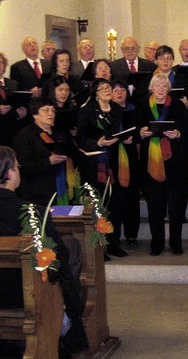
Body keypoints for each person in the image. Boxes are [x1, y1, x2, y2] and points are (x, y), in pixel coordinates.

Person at [0, 145, 88, 355]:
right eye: (17, 167)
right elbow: (57, 266)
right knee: (68, 249)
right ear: (9, 174)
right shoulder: (33, 214)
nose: (19, 171)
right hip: (24, 296)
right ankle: (64, 327)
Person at [76, 79, 130, 258]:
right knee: (99, 206)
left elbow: (121, 131)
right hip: (95, 165)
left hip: (115, 161)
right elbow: (81, 138)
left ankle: (114, 243)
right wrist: (98, 142)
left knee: (116, 205)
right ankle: (101, 246)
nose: (107, 90)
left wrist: (126, 138)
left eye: (108, 87)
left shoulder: (117, 109)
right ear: (95, 93)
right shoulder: (87, 111)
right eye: (102, 88)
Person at [137, 74, 188, 256]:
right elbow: (135, 130)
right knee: (154, 207)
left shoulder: (177, 105)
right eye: (157, 85)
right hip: (151, 162)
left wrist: (179, 134)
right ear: (151, 88)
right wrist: (141, 134)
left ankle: (176, 243)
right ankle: (156, 244)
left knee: (175, 208)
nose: (160, 88)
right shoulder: (142, 105)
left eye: (163, 85)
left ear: (168, 89)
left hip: (174, 163)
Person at [13, 98, 80, 207]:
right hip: (38, 193)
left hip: (61, 186)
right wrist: (48, 161)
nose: (51, 114)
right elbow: (24, 165)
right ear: (35, 115)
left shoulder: (60, 134)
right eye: (46, 110)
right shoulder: (26, 134)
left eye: (53, 111)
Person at [111, 80, 141, 247]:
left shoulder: (133, 109)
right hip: (113, 157)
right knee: (116, 199)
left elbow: (140, 132)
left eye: (123, 89)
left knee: (131, 197)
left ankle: (131, 234)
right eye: (115, 90)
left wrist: (133, 138)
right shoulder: (106, 111)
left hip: (130, 156)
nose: (120, 92)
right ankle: (114, 237)